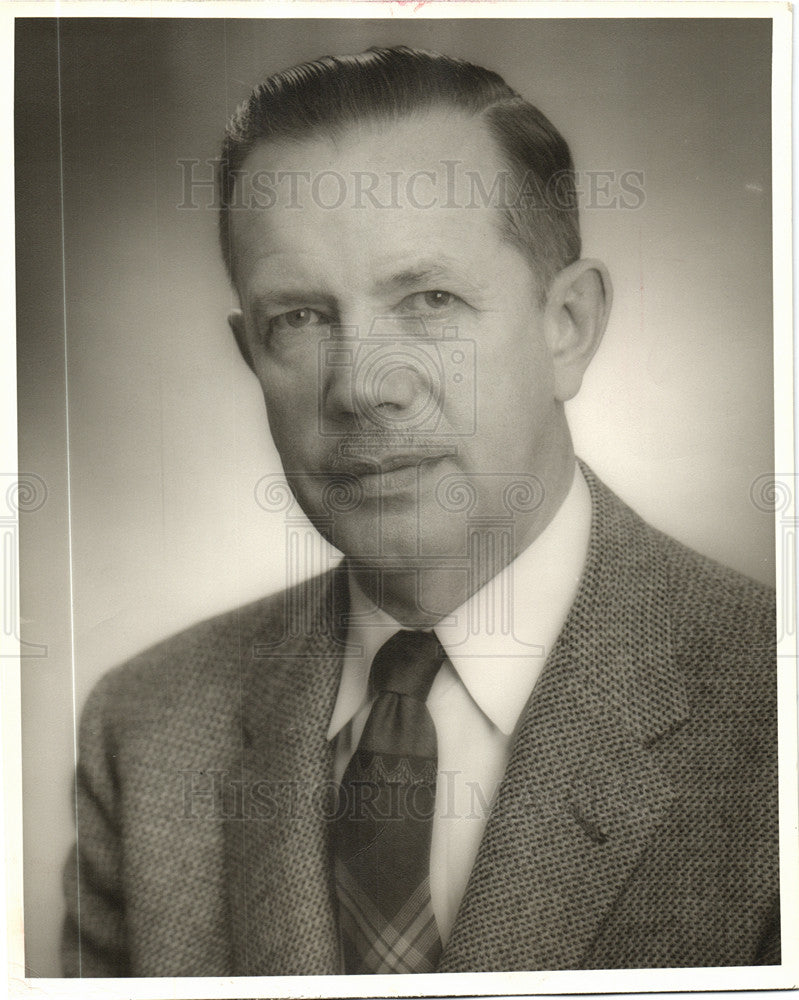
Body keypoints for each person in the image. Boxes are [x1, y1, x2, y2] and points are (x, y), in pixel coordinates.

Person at [61, 46, 779, 977]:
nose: (363, 386)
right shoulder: (146, 730)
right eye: (300, 319)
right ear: (250, 356)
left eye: (428, 300)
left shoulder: (771, 710)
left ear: (567, 327)